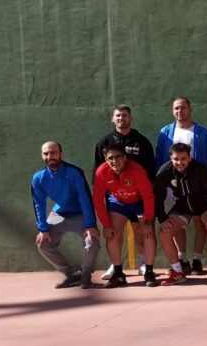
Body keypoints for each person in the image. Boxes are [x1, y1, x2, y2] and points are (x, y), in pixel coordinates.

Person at [93, 104, 156, 281]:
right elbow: (98, 198)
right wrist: (105, 224)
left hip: (140, 200)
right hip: (118, 200)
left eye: (125, 115)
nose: (115, 161)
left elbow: (148, 194)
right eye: (118, 116)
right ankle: (117, 269)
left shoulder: (139, 160)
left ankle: (148, 269)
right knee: (112, 232)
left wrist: (148, 220)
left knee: (146, 232)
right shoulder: (102, 168)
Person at [155, 97, 207, 275]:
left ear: (190, 109)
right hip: (173, 189)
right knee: (176, 223)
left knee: (199, 222)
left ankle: (197, 259)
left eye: (183, 108)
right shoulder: (165, 132)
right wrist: (167, 184)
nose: (179, 111)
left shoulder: (203, 132)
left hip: (198, 189)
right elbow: (160, 160)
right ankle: (182, 259)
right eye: (176, 108)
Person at [32, 141, 100, 289]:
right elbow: (39, 204)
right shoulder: (38, 178)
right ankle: (72, 274)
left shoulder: (74, 172)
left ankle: (86, 274)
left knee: (92, 240)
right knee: (43, 244)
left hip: (79, 214)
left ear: (61, 154)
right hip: (59, 214)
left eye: (54, 153)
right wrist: (43, 228)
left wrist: (90, 224)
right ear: (42, 156)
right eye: (46, 153)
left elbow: (85, 198)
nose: (50, 156)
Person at [154, 143, 207, 285]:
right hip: (182, 207)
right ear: (171, 158)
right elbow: (157, 197)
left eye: (183, 159)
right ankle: (178, 272)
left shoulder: (200, 170)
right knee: (164, 233)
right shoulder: (164, 172)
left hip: (203, 205)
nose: (180, 162)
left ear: (190, 157)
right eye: (176, 159)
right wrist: (162, 218)